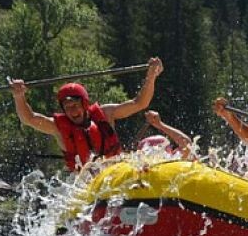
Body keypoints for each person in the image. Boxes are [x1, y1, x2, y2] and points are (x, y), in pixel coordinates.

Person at [9, 57, 164, 172]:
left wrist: (151, 77)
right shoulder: (58, 127)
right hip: (86, 188)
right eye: (67, 107)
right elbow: (28, 118)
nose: (72, 111)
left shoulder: (106, 114)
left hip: (116, 173)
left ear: (84, 104)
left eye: (75, 106)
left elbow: (140, 103)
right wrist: (19, 96)